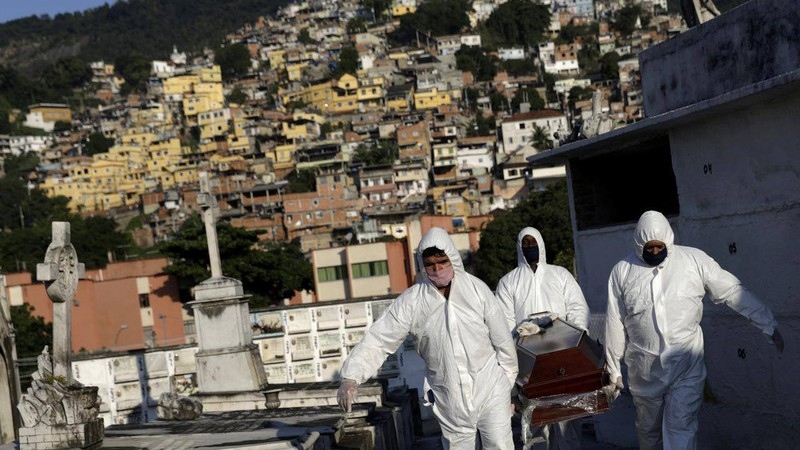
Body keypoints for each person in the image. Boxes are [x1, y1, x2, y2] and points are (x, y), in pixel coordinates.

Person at [604, 210, 784, 450]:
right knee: (649, 434)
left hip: (685, 366)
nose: (655, 253)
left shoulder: (694, 261)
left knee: (681, 428)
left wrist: (767, 323)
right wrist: (613, 368)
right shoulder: (623, 271)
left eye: (660, 247)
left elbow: (731, 291)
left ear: (668, 240)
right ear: (639, 244)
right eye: (650, 248)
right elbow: (614, 320)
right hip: (645, 370)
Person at [337, 227, 518, 450]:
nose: (437, 269)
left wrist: (507, 383)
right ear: (423, 265)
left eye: (442, 261)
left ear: (452, 258)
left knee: (500, 446)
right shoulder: (412, 301)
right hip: (449, 397)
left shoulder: (477, 291)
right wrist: (351, 376)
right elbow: (379, 338)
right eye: (431, 264)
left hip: (490, 388)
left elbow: (503, 341)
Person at [495, 227, 591, 450]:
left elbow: (578, 308)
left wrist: (571, 338)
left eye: (533, 243)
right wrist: (521, 341)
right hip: (530, 368)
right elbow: (503, 325)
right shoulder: (509, 282)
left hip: (563, 360)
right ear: (519, 247)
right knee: (537, 425)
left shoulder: (560, 275)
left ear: (541, 244)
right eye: (526, 244)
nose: (530, 248)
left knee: (569, 421)